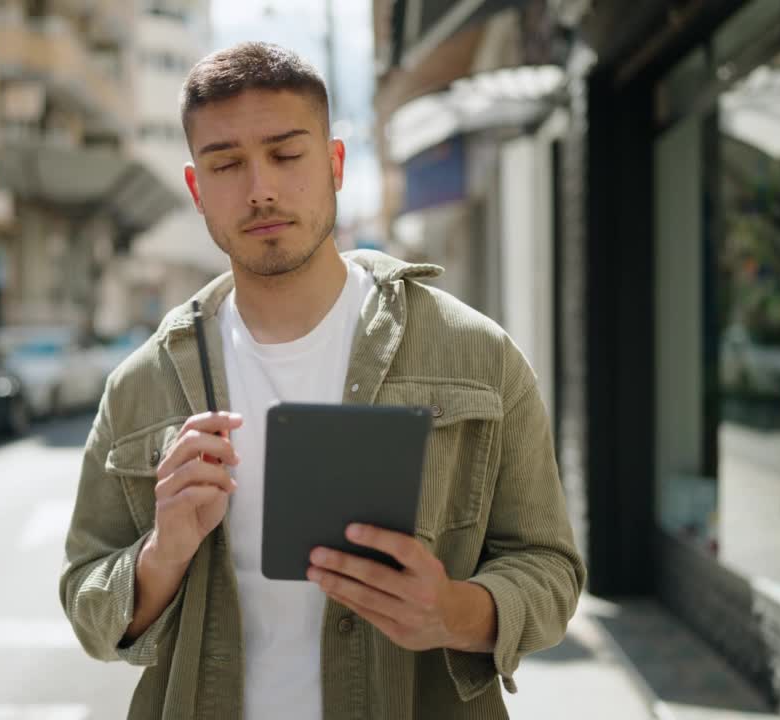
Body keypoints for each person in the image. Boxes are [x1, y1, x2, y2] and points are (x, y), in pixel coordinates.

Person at [61, 41, 585, 720]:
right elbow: (86, 602)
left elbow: (552, 571)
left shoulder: (475, 355)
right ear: (197, 190)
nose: (261, 189)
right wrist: (164, 554)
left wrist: (455, 612)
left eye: (286, 154)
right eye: (227, 164)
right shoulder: (145, 384)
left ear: (335, 164)